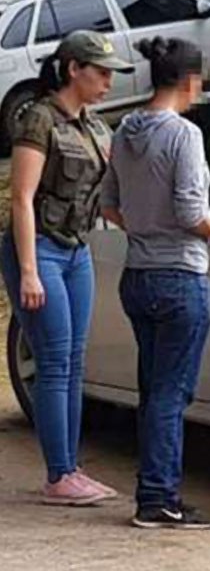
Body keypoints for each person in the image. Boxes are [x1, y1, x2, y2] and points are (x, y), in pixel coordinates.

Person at [100, 37, 210, 530]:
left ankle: (153, 489)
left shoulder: (126, 130)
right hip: (179, 273)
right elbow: (189, 210)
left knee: (154, 388)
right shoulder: (184, 134)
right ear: (191, 82)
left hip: (138, 274)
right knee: (171, 393)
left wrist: (143, 227)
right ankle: (159, 496)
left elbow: (109, 203)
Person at [0, 31, 133, 505]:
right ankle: (58, 475)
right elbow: (21, 198)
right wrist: (29, 270)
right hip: (40, 248)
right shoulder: (39, 119)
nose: (108, 81)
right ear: (73, 69)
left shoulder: (93, 126)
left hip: (76, 249)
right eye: (101, 72)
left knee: (74, 361)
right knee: (54, 361)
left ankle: (70, 468)